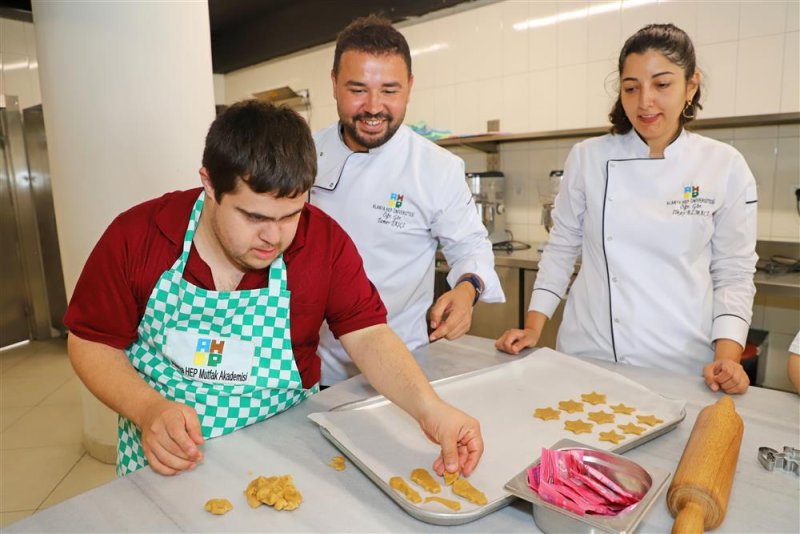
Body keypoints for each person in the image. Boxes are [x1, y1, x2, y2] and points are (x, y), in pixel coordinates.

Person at [64, 100, 483, 477]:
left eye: (291, 215)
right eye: (253, 216)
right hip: (162, 459)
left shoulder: (324, 242)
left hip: (281, 458)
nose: (273, 237)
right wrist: (147, 409)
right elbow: (90, 342)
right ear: (209, 184)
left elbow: (369, 334)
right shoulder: (139, 236)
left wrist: (430, 409)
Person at [496, 24, 757, 395]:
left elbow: (734, 272)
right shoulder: (588, 157)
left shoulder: (724, 165)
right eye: (631, 88)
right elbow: (561, 248)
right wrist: (534, 327)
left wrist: (727, 358)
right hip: (590, 351)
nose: (645, 101)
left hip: (681, 364)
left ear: (691, 86)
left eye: (662, 85)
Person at [310, 15, 505, 386]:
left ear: (410, 87)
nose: (373, 107)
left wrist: (467, 290)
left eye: (389, 90)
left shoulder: (436, 167)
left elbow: (470, 245)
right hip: (315, 364)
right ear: (334, 83)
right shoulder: (304, 154)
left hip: (402, 366)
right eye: (357, 90)